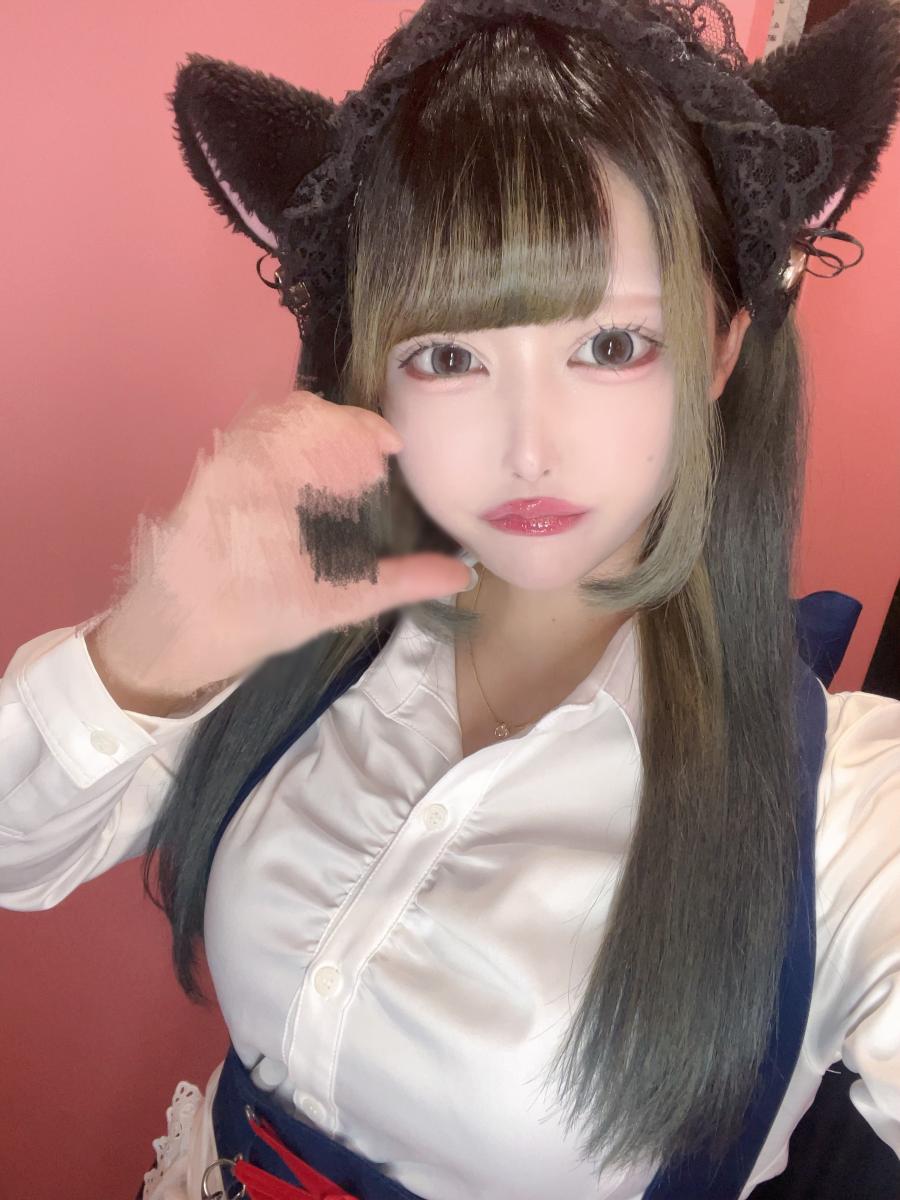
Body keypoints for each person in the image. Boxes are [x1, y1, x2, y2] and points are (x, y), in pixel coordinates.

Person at [2, 2, 899, 1198]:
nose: (529, 448)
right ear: (372, 370)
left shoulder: (840, 815)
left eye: (612, 347)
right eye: (448, 356)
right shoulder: (306, 637)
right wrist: (156, 635)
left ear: (722, 352)